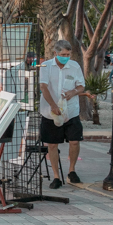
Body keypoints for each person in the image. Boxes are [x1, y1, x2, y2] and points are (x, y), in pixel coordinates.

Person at [39, 39, 85, 189]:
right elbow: (43, 86)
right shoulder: (46, 66)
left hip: (70, 110)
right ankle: (56, 176)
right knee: (52, 144)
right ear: (55, 53)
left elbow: (81, 86)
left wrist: (74, 92)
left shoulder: (74, 66)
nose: (66, 57)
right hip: (50, 112)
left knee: (74, 141)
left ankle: (72, 170)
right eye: (63, 54)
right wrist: (53, 105)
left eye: (68, 54)